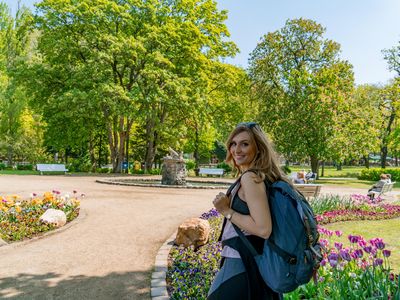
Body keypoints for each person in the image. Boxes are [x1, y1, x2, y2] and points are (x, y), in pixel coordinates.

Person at [208, 122, 286, 300]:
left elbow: (263, 229)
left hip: (242, 263)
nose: (237, 150)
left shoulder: (250, 178)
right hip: (254, 262)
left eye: (245, 144)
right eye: (234, 144)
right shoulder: (261, 176)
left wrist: (226, 210)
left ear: (258, 148)